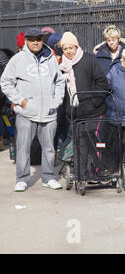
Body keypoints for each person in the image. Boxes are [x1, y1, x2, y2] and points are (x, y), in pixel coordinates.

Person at [0, 28, 66, 192]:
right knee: (23, 147)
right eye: (31, 39)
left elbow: (60, 81)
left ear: (43, 39)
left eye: (38, 38)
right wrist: (21, 101)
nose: (35, 42)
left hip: (48, 113)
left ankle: (48, 177)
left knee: (49, 148)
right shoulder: (17, 60)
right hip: (27, 113)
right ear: (27, 41)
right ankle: (22, 178)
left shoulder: (50, 58)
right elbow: (6, 82)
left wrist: (56, 101)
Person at [60, 31, 110, 182]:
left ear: (77, 47)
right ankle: (81, 174)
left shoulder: (89, 59)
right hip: (76, 113)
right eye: (65, 49)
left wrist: (92, 102)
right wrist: (67, 109)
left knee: (95, 143)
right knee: (79, 144)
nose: (68, 51)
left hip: (94, 110)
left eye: (71, 48)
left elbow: (102, 83)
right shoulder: (62, 66)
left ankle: (95, 173)